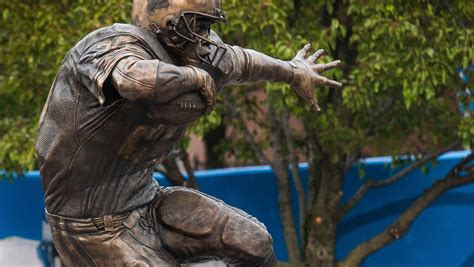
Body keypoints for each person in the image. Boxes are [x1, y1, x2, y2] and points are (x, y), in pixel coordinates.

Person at [36, 0, 342, 266]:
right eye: (195, 23)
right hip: (90, 227)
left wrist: (292, 70)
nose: (204, 36)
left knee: (254, 241)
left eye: (208, 24)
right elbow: (132, 79)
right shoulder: (110, 45)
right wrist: (193, 77)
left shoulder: (205, 54)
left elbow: (246, 62)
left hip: (146, 201)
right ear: (163, 19)